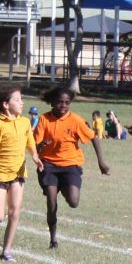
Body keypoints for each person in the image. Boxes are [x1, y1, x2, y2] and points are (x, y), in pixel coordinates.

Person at [34, 84, 110, 249]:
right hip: (48, 165)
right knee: (51, 203)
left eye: (67, 102)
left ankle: (64, 187)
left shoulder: (75, 120)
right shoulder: (43, 119)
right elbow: (34, 144)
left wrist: (101, 162)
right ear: (52, 102)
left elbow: (93, 137)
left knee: (74, 201)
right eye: (60, 102)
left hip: (71, 165)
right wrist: (41, 146)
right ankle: (53, 240)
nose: (63, 106)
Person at [0, 84, 42, 261]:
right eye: (18, 99)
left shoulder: (25, 122)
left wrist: (35, 157)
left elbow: (30, 143)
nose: (22, 102)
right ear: (6, 104)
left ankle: (6, 251)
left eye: (22, 99)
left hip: (18, 174)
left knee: (15, 212)